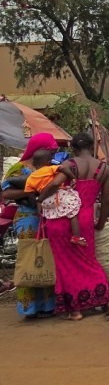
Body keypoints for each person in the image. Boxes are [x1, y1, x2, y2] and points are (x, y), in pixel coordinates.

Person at [39, 132, 109, 321]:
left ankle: (76, 310)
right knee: (89, 261)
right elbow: (106, 202)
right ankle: (108, 302)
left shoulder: (69, 165)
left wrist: (40, 198)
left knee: (66, 264)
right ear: (91, 147)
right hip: (86, 219)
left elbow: (55, 183)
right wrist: (100, 223)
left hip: (63, 218)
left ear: (73, 148)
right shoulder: (104, 169)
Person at [0, 133, 59, 317]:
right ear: (38, 149)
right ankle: (29, 307)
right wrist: (29, 191)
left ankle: (48, 306)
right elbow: (6, 193)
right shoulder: (19, 168)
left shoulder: (49, 166)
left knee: (46, 257)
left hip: (48, 217)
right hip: (27, 218)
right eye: (50, 150)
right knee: (29, 258)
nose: (53, 154)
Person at [24, 150, 85, 247]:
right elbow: (63, 168)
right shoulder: (49, 168)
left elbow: (29, 194)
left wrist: (38, 201)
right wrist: (73, 177)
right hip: (58, 195)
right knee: (73, 211)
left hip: (46, 201)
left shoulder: (30, 179)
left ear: (34, 163)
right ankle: (76, 237)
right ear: (48, 161)